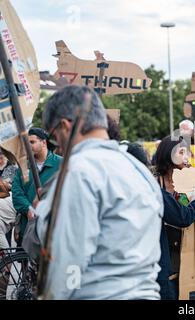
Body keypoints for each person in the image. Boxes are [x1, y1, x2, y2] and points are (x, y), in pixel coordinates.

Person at [34, 85, 163, 300]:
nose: (58, 148)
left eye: (55, 139)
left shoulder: (79, 171)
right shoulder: (138, 170)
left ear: (66, 127)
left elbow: (68, 259)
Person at [154, 136, 195, 300]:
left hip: (181, 256)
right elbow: (183, 216)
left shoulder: (185, 183)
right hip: (160, 261)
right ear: (169, 154)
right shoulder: (155, 185)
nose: (187, 157)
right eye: (181, 152)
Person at [11, 128, 63, 248]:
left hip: (53, 228)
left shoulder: (60, 164)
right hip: (28, 228)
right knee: (25, 265)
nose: (28, 146)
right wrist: (28, 208)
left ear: (44, 142)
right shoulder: (23, 167)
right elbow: (17, 193)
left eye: (32, 142)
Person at [0, 148, 18, 249]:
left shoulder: (11, 168)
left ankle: (7, 259)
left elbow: (7, 187)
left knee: (6, 236)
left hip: (9, 204)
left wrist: (5, 184)